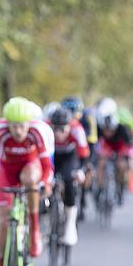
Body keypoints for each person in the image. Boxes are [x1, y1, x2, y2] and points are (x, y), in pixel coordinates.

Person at [0, 96, 55, 266]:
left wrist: (45, 183)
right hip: (7, 172)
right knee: (4, 222)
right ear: (7, 124)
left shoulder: (38, 131)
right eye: (13, 127)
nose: (18, 131)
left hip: (30, 167)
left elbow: (47, 167)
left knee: (29, 179)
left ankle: (35, 228)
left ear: (29, 123)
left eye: (22, 126)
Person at [50, 105, 89, 245]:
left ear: (69, 125)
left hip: (69, 156)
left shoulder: (77, 129)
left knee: (69, 181)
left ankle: (70, 226)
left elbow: (85, 155)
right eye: (55, 128)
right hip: (52, 155)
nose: (58, 133)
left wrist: (81, 171)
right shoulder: (46, 128)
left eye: (62, 129)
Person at [95, 98, 133, 205]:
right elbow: (96, 144)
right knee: (101, 164)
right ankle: (100, 188)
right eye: (105, 130)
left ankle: (120, 188)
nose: (108, 132)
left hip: (120, 147)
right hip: (107, 146)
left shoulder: (122, 129)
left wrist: (124, 157)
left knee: (121, 166)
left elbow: (129, 146)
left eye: (110, 130)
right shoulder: (100, 128)